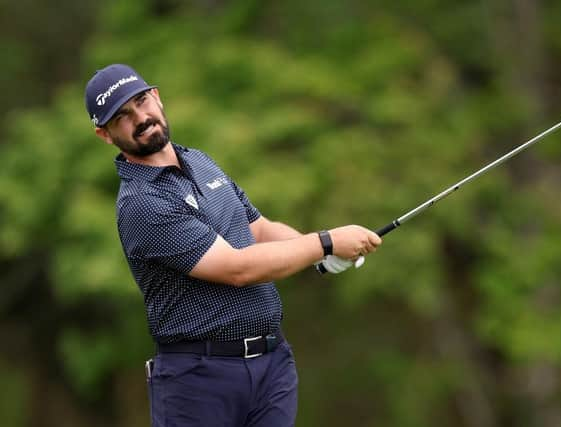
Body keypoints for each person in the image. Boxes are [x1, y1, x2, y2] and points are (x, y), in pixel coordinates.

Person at [85, 63, 382, 427]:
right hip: (199, 380)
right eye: (123, 116)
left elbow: (259, 230)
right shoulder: (141, 203)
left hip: (272, 366)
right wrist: (327, 242)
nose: (141, 117)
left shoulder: (200, 162)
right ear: (105, 134)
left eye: (142, 101)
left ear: (157, 98)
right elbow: (236, 268)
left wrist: (322, 255)